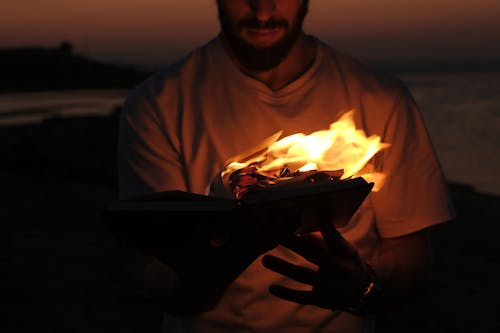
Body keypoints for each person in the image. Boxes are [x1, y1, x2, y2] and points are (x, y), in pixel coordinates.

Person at [117, 1, 455, 332]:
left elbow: (411, 254)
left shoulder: (382, 97)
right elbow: (160, 280)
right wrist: (221, 263)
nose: (263, 12)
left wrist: (363, 285)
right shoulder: (157, 103)